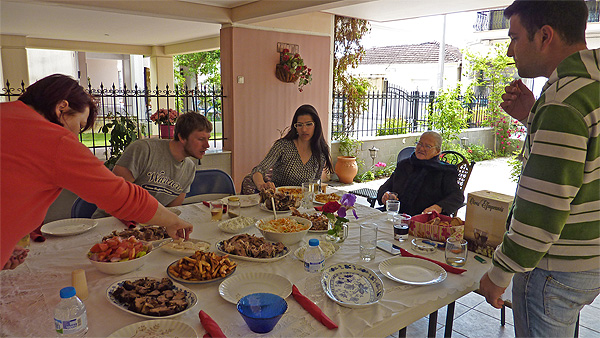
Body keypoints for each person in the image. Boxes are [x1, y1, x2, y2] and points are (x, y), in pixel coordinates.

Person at [478, 1, 599, 337]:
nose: (508, 51)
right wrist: (534, 118)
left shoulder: (563, 99)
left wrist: (499, 274)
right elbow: (585, 163)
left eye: (515, 37)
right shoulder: (592, 85)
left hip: (553, 269)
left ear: (545, 36)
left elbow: (543, 209)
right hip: (589, 259)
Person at [0, 74, 193, 270]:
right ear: (61, 108)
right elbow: (122, 196)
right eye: (80, 125)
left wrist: (6, 245)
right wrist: (173, 221)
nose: (75, 136)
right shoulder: (54, 140)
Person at [92, 112, 211, 218]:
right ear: (182, 137)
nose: (207, 145)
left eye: (208, 139)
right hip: (110, 222)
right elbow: (115, 197)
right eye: (201, 139)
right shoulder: (144, 150)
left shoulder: (189, 169)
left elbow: (171, 211)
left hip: (149, 227)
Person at [241, 104, 333, 193]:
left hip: (303, 204)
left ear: (316, 126)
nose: (304, 129)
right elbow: (259, 169)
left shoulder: (320, 153)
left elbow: (316, 186)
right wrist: (261, 185)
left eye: (309, 124)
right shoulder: (283, 146)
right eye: (299, 125)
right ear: (295, 127)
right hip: (279, 201)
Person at [376, 131, 463, 216]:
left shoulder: (445, 171)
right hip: (396, 216)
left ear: (437, 151)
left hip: (424, 221)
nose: (421, 148)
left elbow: (457, 197)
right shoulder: (404, 165)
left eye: (428, 146)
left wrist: (438, 207)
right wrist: (385, 195)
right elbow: (385, 187)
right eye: (420, 144)